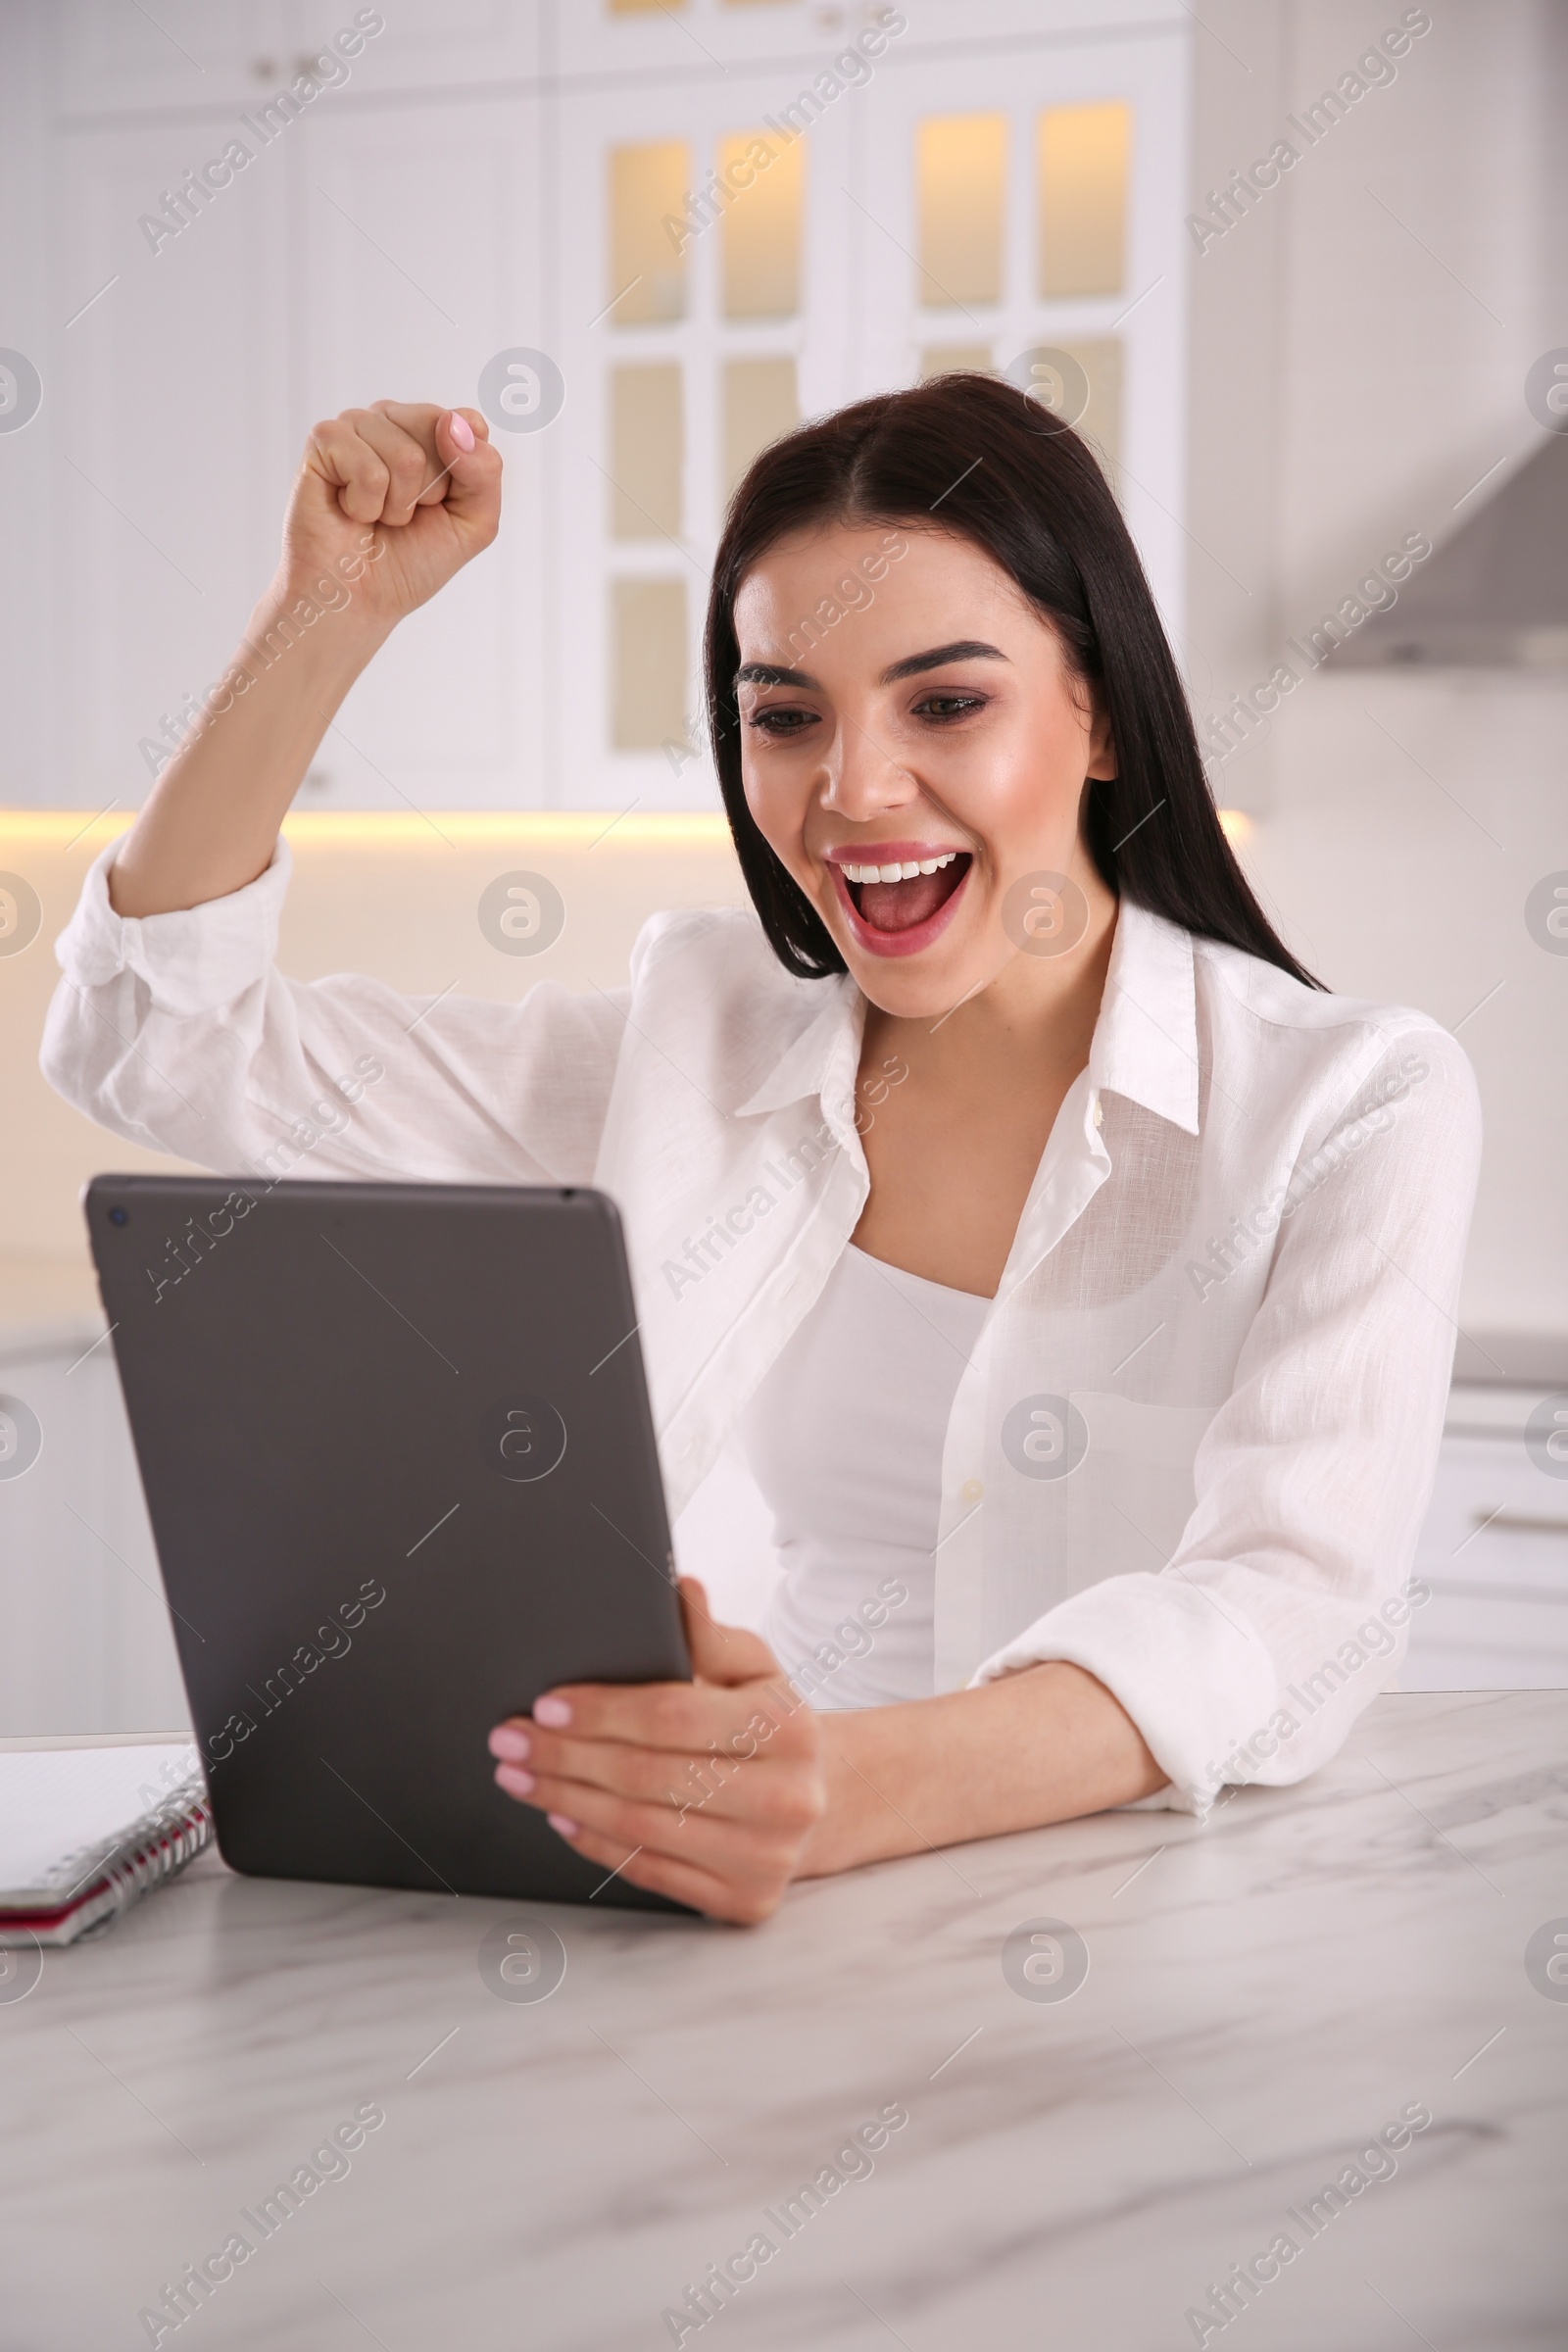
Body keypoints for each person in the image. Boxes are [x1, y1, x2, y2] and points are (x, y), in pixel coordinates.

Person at [42, 374, 1479, 1925]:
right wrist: (327, 613)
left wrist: (840, 1790)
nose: (853, 791)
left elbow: (1289, 1606)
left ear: (1104, 713)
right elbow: (158, 1041)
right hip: (736, 1911)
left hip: (1143, 1938)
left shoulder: (1352, 1103)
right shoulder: (689, 1040)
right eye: (786, 715)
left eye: (945, 702)